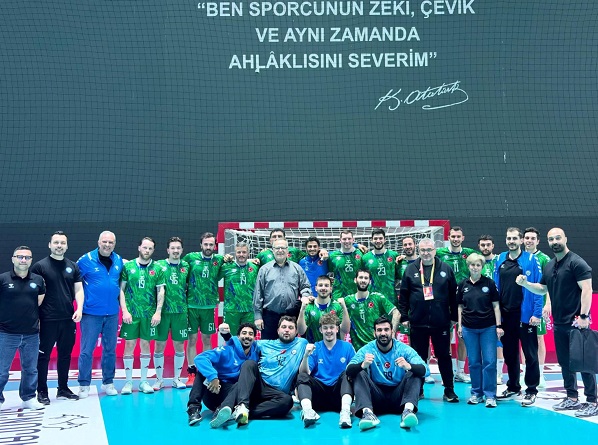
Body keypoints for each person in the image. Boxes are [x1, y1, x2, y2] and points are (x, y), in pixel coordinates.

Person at [517, 227, 596, 417]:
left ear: (565, 239)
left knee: (583, 363)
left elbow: (587, 290)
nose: (555, 242)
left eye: (558, 238)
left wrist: (584, 317)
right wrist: (526, 284)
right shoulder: (550, 265)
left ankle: (592, 401)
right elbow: (542, 289)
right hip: (559, 323)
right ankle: (572, 397)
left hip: (576, 323)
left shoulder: (577, 263)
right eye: (551, 239)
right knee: (565, 363)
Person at [399, 238, 459, 402]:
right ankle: (418, 389)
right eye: (423, 250)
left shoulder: (445, 268)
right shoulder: (410, 269)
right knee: (418, 358)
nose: (426, 253)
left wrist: (454, 317)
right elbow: (403, 295)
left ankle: (449, 390)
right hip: (417, 322)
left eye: (429, 250)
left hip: (441, 322)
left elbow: (453, 295)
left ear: (435, 251)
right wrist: (404, 317)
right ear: (419, 251)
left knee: (444, 356)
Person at [346, 316, 428, 431]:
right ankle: (368, 414)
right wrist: (362, 365)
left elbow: (425, 370)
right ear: (374, 333)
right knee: (358, 372)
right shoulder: (368, 349)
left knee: (414, 372)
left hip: (399, 398)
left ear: (392, 332)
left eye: (386, 330)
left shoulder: (403, 349)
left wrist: (408, 366)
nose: (383, 333)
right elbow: (348, 370)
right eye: (379, 330)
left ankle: (408, 411)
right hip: (376, 398)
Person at [32, 231, 84, 405]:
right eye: (56, 242)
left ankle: (63, 388)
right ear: (50, 245)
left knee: (65, 355)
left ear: (67, 246)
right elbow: (34, 294)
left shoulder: (73, 266)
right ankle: (41, 390)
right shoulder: (40, 267)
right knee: (43, 356)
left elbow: (78, 290)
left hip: (68, 319)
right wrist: (36, 317)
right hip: (47, 319)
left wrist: (79, 309)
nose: (59, 245)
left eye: (62, 243)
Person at [493, 227, 542, 406]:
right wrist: (498, 318)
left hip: (526, 316)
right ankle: (513, 387)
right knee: (510, 353)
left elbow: (538, 287)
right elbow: (496, 287)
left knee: (530, 354)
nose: (511, 241)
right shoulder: (500, 259)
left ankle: (531, 390)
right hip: (507, 316)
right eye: (509, 238)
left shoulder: (531, 259)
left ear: (521, 240)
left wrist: (537, 313)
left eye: (515, 238)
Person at [231, 316, 309, 423]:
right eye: (284, 327)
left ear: (296, 332)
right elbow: (240, 344)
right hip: (259, 386)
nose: (287, 330)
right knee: (249, 364)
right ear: (278, 330)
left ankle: (245, 413)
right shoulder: (264, 344)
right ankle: (242, 406)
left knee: (287, 402)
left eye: (290, 328)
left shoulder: (302, 343)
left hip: (276, 394)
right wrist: (226, 335)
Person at [77, 231, 124, 398]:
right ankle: (84, 385)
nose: (107, 245)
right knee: (86, 350)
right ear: (98, 242)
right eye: (104, 241)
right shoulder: (85, 260)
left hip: (112, 314)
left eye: (111, 242)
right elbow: (75, 283)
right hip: (91, 313)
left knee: (110, 350)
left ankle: (108, 383)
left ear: (114, 244)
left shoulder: (118, 260)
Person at [186, 322, 259, 428]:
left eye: (250, 334)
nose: (247, 336)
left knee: (240, 384)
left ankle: (221, 413)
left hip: (232, 396)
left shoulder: (255, 355)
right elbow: (200, 358)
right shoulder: (226, 350)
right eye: (244, 333)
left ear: (254, 338)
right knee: (202, 372)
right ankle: (193, 409)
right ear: (238, 337)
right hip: (214, 389)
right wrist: (213, 377)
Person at [0, 246, 46, 411]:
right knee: (2, 370)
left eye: (27, 257)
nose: (23, 260)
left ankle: (28, 398)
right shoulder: (3, 279)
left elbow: (39, 302)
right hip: (6, 333)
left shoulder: (38, 280)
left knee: (30, 369)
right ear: (13, 259)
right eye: (20, 257)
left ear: (31, 260)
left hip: (31, 334)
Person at [119, 237, 166, 395]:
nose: (147, 251)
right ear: (139, 247)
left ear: (153, 250)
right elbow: (121, 290)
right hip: (131, 314)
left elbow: (160, 291)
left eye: (150, 248)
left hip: (149, 314)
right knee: (129, 345)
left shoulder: (158, 268)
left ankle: (143, 382)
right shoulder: (128, 266)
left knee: (146, 345)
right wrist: (124, 311)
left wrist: (158, 312)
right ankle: (128, 382)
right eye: (145, 247)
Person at [457, 253, 503, 408]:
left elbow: (496, 306)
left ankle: (490, 395)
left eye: (478, 265)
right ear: (468, 266)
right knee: (474, 362)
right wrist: (460, 325)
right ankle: (476, 393)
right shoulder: (462, 285)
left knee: (489, 362)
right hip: (469, 328)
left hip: (488, 328)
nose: (475, 268)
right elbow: (460, 307)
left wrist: (498, 326)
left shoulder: (489, 283)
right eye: (472, 265)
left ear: (482, 267)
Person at [297, 313, 355, 428]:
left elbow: (355, 372)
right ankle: (308, 411)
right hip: (319, 396)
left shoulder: (347, 347)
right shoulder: (315, 347)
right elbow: (305, 373)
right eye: (325, 328)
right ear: (321, 330)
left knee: (347, 373)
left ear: (337, 329)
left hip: (339, 395)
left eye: (331, 327)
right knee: (301, 376)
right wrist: (306, 356)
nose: (329, 331)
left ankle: (345, 412)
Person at [183, 232, 224, 386]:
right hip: (192, 306)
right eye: (205, 244)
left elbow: (236, 262)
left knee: (207, 339)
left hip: (209, 306)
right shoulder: (190, 258)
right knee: (192, 339)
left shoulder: (219, 260)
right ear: (201, 245)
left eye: (211, 244)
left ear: (215, 246)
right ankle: (191, 373)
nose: (208, 247)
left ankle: (207, 372)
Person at [436, 226, 476, 383]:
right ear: (448, 237)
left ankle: (460, 371)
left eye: (458, 236)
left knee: (463, 336)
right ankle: (448, 371)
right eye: (453, 236)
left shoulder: (470, 254)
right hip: (445, 302)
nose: (456, 239)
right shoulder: (439, 253)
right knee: (445, 337)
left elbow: (486, 258)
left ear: (463, 238)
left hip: (464, 302)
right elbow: (423, 257)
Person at [253, 239, 312, 340]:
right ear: (273, 250)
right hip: (270, 316)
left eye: (283, 248)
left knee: (291, 346)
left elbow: (305, 286)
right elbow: (258, 293)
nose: (280, 250)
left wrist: (305, 297)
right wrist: (258, 316)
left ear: (287, 250)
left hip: (292, 316)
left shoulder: (297, 268)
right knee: (269, 346)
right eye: (277, 248)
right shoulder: (264, 269)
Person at [154, 237, 190, 390]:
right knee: (159, 345)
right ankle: (159, 380)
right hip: (162, 312)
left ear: (182, 250)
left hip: (180, 311)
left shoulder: (186, 266)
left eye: (178, 248)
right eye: (173, 248)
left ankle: (176, 379)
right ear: (168, 250)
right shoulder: (158, 265)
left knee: (179, 345)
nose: (175, 251)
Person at [523, 227, 551, 388]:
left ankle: (540, 374)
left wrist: (548, 303)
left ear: (538, 241)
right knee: (524, 339)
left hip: (538, 304)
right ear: (523, 240)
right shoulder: (520, 257)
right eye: (527, 238)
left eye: (532, 238)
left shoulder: (544, 259)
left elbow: (550, 284)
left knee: (539, 338)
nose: (529, 240)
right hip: (522, 305)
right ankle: (525, 373)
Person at [344, 268, 400, 351]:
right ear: (355, 280)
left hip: (378, 348)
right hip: (358, 350)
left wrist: (392, 333)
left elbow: (397, 313)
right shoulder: (347, 301)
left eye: (366, 278)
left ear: (370, 282)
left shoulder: (377, 298)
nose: (363, 280)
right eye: (361, 277)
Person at [478, 234, 504, 384]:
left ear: (493, 245)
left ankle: (499, 374)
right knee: (483, 342)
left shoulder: (500, 260)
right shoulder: (477, 262)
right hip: (482, 308)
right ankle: (485, 372)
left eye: (488, 244)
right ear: (479, 246)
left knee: (498, 340)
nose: (485, 247)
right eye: (483, 245)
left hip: (498, 306)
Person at [218, 242, 258, 335]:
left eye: (244, 252)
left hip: (249, 309)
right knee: (231, 338)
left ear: (248, 253)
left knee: (248, 338)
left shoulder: (255, 267)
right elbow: (213, 278)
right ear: (235, 253)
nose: (241, 255)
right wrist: (222, 259)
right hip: (231, 310)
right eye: (239, 252)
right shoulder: (227, 266)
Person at [297, 275, 350, 343]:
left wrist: (344, 307)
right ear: (316, 288)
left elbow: (346, 330)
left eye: (326, 285)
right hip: (314, 347)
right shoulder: (309, 307)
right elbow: (301, 331)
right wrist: (302, 308)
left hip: (334, 348)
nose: (323, 288)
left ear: (331, 289)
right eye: (320, 285)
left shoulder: (337, 306)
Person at [362, 229, 401, 306]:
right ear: (371, 240)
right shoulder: (365, 258)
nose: (378, 241)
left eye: (380, 238)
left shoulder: (394, 255)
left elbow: (399, 275)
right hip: (372, 298)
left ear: (385, 240)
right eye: (375, 238)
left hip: (391, 297)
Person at [328, 230, 364, 300]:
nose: (347, 241)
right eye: (344, 239)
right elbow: (329, 271)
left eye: (349, 239)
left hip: (357, 293)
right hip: (339, 294)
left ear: (353, 240)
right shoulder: (332, 256)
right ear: (340, 240)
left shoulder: (361, 253)